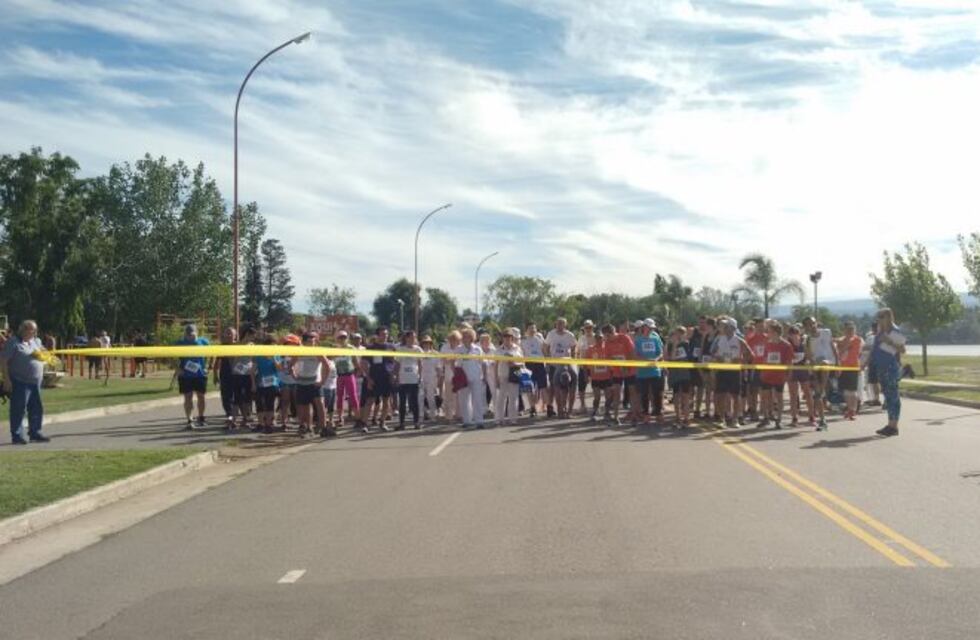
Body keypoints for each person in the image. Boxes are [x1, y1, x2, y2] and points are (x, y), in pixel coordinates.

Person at [2, 320, 51, 444]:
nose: (33, 332)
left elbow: (45, 353)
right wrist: (7, 380)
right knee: (19, 409)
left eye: (34, 330)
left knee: (36, 408)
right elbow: (3, 361)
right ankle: (17, 435)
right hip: (19, 381)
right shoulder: (13, 342)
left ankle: (35, 432)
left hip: (36, 382)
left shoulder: (36, 341)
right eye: (30, 329)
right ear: (22, 329)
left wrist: (45, 358)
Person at [290, 332, 332, 438]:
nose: (312, 343)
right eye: (309, 341)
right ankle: (306, 427)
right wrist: (294, 374)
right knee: (304, 406)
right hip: (301, 382)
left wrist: (322, 381)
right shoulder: (299, 351)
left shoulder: (318, 352)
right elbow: (291, 364)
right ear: (304, 342)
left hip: (314, 382)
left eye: (313, 341)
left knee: (320, 404)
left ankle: (323, 427)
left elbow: (327, 366)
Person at [872, 308, 906, 437]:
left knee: (893, 397)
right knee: (888, 397)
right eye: (878, 316)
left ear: (888, 317)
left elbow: (902, 350)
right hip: (880, 366)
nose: (879, 319)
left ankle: (894, 426)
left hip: (890, 367)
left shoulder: (895, 331)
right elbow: (875, 348)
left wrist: (890, 342)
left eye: (881, 316)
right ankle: (890, 424)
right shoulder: (880, 332)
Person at [710, 318, 749, 428]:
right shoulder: (719, 339)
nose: (725, 328)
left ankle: (735, 419)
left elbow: (750, 354)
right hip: (722, 370)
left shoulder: (739, 340)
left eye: (727, 327)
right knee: (721, 395)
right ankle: (722, 419)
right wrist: (718, 358)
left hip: (734, 371)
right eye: (725, 327)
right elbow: (712, 352)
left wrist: (741, 360)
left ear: (733, 328)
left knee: (735, 396)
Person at [804, 317, 838, 431]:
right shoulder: (808, 339)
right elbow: (808, 356)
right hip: (817, 367)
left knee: (824, 362)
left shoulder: (826, 332)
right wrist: (812, 367)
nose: (812, 326)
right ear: (806, 327)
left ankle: (823, 389)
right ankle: (822, 420)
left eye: (813, 323)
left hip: (829, 363)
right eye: (809, 324)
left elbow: (834, 348)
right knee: (817, 395)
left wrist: (838, 364)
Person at [758, 321, 794, 428]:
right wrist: (762, 371)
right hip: (767, 374)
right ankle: (766, 417)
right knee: (765, 397)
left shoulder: (786, 345)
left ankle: (779, 419)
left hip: (779, 375)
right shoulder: (768, 344)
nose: (768, 333)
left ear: (775, 332)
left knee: (779, 397)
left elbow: (789, 361)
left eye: (769, 331)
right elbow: (764, 359)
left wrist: (789, 373)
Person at [631, 318, 665, 425]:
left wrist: (656, 359)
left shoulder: (655, 339)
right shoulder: (638, 340)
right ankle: (646, 414)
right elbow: (635, 355)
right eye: (649, 328)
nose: (651, 330)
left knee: (657, 394)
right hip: (642, 372)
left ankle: (658, 414)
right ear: (644, 327)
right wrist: (644, 360)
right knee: (644, 394)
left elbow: (660, 353)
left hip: (655, 371)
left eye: (652, 328)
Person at [175, 324, 209, 429]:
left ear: (197, 333)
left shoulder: (204, 342)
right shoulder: (180, 343)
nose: (192, 337)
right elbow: (170, 356)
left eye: (194, 335)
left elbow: (212, 353)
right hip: (186, 375)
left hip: (200, 374)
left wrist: (207, 366)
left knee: (201, 396)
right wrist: (177, 368)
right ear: (185, 334)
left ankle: (201, 417)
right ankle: (189, 420)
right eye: (189, 335)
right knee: (188, 397)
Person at [545, 317, 578, 419]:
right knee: (556, 388)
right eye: (558, 323)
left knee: (569, 387)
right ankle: (559, 410)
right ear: (555, 324)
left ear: (565, 325)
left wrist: (573, 359)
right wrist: (548, 359)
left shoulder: (570, 335)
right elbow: (545, 346)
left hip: (567, 364)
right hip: (554, 364)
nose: (560, 325)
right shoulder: (551, 334)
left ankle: (568, 411)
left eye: (562, 324)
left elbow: (574, 347)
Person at [603, 323, 634, 426]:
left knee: (632, 392)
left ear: (613, 332)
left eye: (608, 335)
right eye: (605, 336)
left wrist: (626, 366)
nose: (607, 338)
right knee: (616, 393)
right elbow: (608, 357)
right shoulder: (607, 343)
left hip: (629, 369)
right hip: (616, 371)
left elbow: (631, 353)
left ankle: (634, 416)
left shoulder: (624, 338)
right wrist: (616, 364)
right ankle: (616, 417)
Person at [251, 335, 282, 434]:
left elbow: (279, 369)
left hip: (273, 383)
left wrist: (274, 360)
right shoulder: (259, 356)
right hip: (260, 383)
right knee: (259, 404)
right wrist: (253, 384)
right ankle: (260, 424)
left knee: (270, 404)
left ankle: (268, 424)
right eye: (271, 346)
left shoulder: (276, 355)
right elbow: (252, 370)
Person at [456, 328, 487, 428]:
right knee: (464, 399)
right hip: (463, 378)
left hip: (476, 376)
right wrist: (456, 375)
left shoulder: (477, 349)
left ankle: (479, 421)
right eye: (464, 336)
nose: (465, 338)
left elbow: (484, 363)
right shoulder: (459, 349)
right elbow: (456, 364)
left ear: (471, 338)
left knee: (477, 399)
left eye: (467, 336)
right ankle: (467, 421)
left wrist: (485, 376)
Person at [394, 330, 424, 430]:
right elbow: (397, 364)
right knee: (402, 402)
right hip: (403, 379)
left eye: (414, 337)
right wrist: (396, 377)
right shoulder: (400, 349)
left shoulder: (418, 349)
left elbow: (420, 364)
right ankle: (401, 423)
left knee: (414, 401)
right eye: (410, 337)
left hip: (414, 378)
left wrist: (420, 375)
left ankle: (416, 422)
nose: (412, 339)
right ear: (406, 338)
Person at [495, 328, 524, 425]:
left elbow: (522, 363)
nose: (507, 338)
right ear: (502, 338)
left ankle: (513, 419)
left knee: (513, 397)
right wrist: (496, 378)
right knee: (501, 398)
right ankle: (499, 419)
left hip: (514, 375)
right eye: (505, 336)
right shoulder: (499, 349)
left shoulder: (517, 349)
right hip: (502, 375)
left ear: (512, 338)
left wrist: (514, 363)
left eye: (509, 337)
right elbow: (495, 364)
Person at [786, 325, 814, 426]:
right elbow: (786, 358)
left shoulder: (804, 344)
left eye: (796, 333)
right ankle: (794, 418)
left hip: (803, 371)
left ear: (799, 334)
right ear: (789, 335)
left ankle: (811, 416)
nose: (794, 336)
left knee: (807, 393)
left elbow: (809, 356)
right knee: (793, 395)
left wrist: (808, 363)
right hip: (792, 371)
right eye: (792, 334)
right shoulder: (788, 345)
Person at [836, 321, 864, 421]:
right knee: (846, 391)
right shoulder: (841, 339)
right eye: (848, 329)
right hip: (843, 367)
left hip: (853, 367)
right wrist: (843, 344)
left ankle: (853, 410)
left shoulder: (857, 340)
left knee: (853, 390)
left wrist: (845, 344)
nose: (850, 331)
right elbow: (839, 351)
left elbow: (857, 351)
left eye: (852, 329)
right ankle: (849, 409)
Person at [212, 327, 239, 430]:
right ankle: (230, 418)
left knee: (236, 399)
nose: (228, 335)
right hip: (225, 376)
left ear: (235, 335)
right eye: (226, 333)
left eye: (230, 334)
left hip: (237, 376)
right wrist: (215, 375)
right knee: (226, 399)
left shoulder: (239, 346)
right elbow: (217, 363)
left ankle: (236, 419)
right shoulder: (222, 347)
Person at [333, 331, 360, 430]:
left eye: (344, 337)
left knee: (353, 396)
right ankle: (340, 418)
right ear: (337, 338)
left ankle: (358, 418)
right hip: (339, 375)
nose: (342, 339)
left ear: (347, 338)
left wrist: (358, 371)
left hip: (349, 374)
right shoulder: (334, 348)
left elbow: (355, 361)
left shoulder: (351, 348)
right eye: (340, 337)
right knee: (339, 397)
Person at [666, 326, 692, 427]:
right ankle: (677, 417)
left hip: (685, 373)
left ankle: (686, 417)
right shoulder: (671, 345)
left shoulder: (687, 344)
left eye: (682, 333)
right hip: (675, 373)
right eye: (678, 333)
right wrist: (675, 345)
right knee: (676, 396)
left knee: (685, 396)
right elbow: (671, 358)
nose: (679, 335)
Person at [521, 323, 548, 418]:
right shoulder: (523, 341)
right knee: (529, 388)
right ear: (526, 330)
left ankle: (549, 407)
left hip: (540, 364)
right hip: (528, 365)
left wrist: (546, 362)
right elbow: (521, 353)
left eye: (534, 328)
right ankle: (532, 408)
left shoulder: (540, 339)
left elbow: (545, 352)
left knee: (543, 387)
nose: (532, 329)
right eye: (530, 328)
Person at [744, 318, 767, 421]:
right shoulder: (750, 339)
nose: (761, 328)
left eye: (763, 326)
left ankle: (766, 412)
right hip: (754, 367)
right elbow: (746, 353)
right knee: (754, 391)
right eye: (759, 326)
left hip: (766, 368)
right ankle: (754, 411)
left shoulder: (767, 338)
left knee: (766, 391)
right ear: (755, 326)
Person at [585, 330, 611, 422]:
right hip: (595, 377)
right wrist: (587, 375)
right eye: (597, 338)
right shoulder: (591, 349)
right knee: (597, 397)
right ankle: (594, 412)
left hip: (607, 376)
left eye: (600, 338)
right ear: (594, 339)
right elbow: (586, 363)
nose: (598, 339)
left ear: (603, 338)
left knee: (608, 396)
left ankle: (607, 412)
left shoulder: (607, 348)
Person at [278, 333, 300, 430]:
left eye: (292, 343)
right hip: (284, 381)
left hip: (296, 381)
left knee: (298, 402)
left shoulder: (299, 354)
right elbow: (278, 367)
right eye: (288, 343)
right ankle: (284, 423)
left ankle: (301, 422)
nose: (290, 344)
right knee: (285, 402)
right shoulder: (280, 355)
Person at [439, 331, 462, 424]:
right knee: (448, 396)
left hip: (459, 374)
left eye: (456, 339)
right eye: (452, 339)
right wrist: (452, 359)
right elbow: (443, 360)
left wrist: (452, 359)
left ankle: (459, 415)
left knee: (459, 396)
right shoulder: (444, 347)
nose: (454, 341)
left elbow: (461, 359)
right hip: (449, 374)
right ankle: (449, 416)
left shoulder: (461, 348)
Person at [576, 320, 596, 415]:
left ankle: (595, 406)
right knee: (581, 387)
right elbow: (578, 351)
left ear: (592, 328)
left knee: (596, 387)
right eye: (586, 327)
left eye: (590, 327)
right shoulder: (581, 338)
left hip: (594, 366)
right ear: (584, 328)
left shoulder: (597, 337)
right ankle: (583, 405)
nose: (588, 329)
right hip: (583, 366)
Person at [419, 335, 440, 421]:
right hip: (421, 376)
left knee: (430, 397)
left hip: (432, 377)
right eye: (424, 343)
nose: (426, 344)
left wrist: (438, 378)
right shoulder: (419, 352)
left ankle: (433, 414)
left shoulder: (435, 353)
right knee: (420, 397)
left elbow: (438, 367)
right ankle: (421, 415)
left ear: (431, 343)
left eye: (428, 342)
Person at [861, 321, 881, 406]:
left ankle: (876, 399)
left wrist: (865, 362)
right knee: (873, 382)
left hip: (875, 361)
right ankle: (873, 398)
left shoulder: (876, 337)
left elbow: (871, 349)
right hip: (874, 361)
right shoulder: (872, 337)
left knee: (874, 381)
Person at [479, 331, 497, 420]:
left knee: (494, 391)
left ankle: (495, 409)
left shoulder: (493, 350)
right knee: (482, 392)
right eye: (484, 340)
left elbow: (496, 361)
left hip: (492, 373)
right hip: (481, 373)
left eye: (488, 340)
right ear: (481, 341)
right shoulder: (478, 350)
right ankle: (483, 410)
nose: (486, 342)